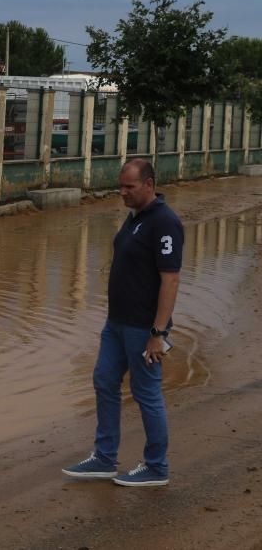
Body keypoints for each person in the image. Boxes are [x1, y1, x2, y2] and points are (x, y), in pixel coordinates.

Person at [62, 158, 183, 487]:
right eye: (121, 186)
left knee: (147, 393)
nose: (122, 192)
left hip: (143, 328)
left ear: (149, 184)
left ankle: (156, 466)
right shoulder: (135, 219)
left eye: (129, 187)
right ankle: (104, 458)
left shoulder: (164, 222)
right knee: (104, 380)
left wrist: (158, 333)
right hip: (116, 324)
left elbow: (170, 280)